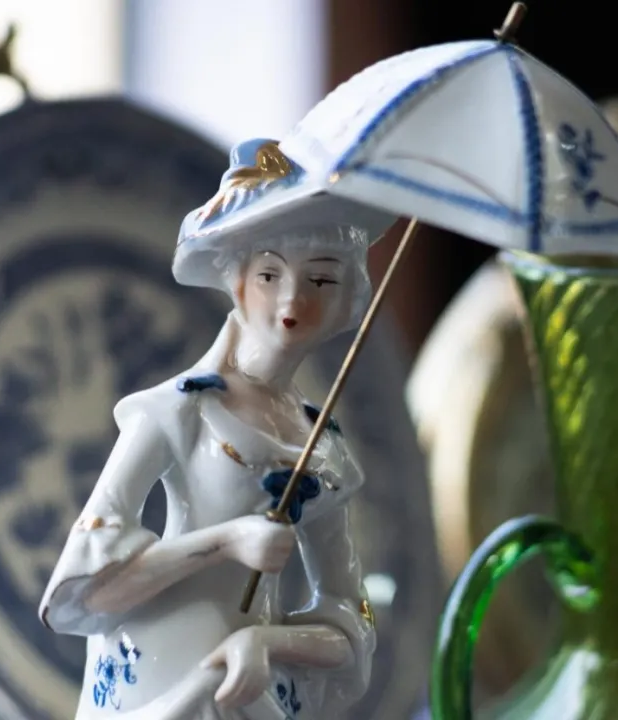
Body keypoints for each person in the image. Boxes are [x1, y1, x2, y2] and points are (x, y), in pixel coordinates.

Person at [39, 138, 392, 720]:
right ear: (237, 282)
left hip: (248, 690)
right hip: (157, 683)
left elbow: (351, 622)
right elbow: (86, 594)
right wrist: (224, 542)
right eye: (270, 275)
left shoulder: (323, 452)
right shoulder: (179, 410)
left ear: (348, 299)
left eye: (321, 281)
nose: (292, 300)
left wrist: (265, 642)